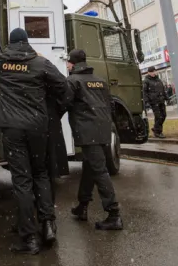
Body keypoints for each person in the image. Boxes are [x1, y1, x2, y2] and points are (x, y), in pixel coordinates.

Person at [0, 28, 70, 254]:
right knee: (41, 174)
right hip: (37, 127)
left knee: (22, 181)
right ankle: (48, 225)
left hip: (12, 129)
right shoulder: (40, 64)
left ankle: (29, 239)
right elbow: (64, 86)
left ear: (11, 43)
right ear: (26, 41)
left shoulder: (1, 63)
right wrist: (55, 110)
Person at [65, 49, 124, 230]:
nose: (67, 65)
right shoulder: (100, 81)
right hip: (102, 130)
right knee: (90, 168)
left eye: (68, 62)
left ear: (72, 64)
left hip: (87, 132)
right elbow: (109, 105)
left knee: (99, 170)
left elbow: (64, 103)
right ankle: (82, 206)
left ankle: (114, 214)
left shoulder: (73, 81)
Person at [142, 66, 167, 138]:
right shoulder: (146, 81)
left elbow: (162, 89)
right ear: (148, 73)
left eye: (154, 71)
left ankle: (155, 128)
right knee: (158, 116)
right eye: (151, 72)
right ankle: (158, 132)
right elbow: (144, 92)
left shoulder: (158, 80)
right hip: (154, 101)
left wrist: (166, 97)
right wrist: (146, 102)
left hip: (161, 100)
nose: (153, 73)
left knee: (164, 115)